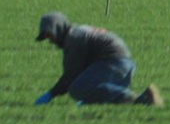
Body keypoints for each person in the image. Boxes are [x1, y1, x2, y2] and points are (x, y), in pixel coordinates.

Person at [33, 12, 162, 106]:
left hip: (114, 64)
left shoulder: (74, 38)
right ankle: (135, 98)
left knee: (76, 88)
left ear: (59, 28)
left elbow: (71, 75)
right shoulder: (78, 32)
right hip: (123, 65)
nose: (51, 41)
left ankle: (140, 98)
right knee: (87, 91)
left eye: (51, 36)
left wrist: (51, 94)